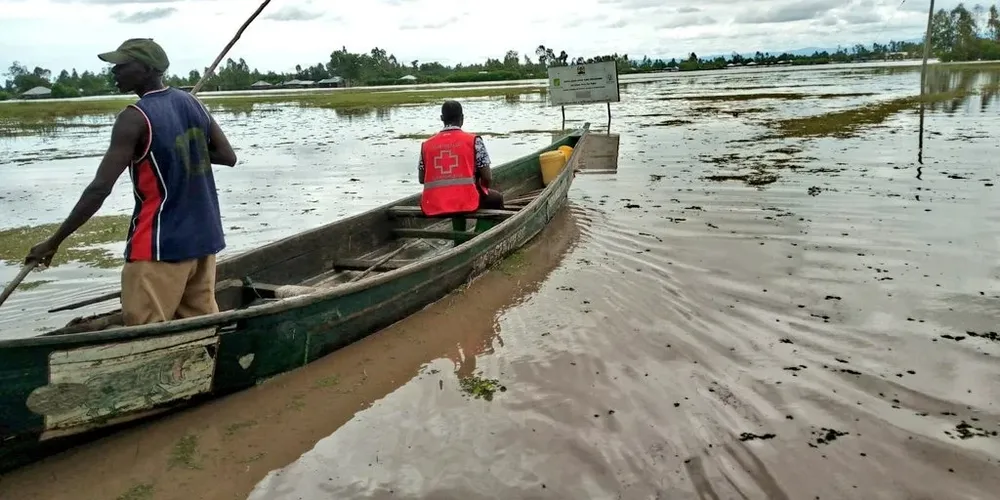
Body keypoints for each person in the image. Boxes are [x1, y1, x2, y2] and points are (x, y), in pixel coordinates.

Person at [24, 38, 237, 326]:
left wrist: (54, 241)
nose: (115, 72)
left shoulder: (134, 118)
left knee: (145, 331)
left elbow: (99, 188)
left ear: (147, 69)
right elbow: (226, 155)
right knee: (200, 328)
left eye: (122, 66)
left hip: (159, 245)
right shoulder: (192, 103)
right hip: (204, 239)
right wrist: (182, 147)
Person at [417, 100, 503, 217]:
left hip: (434, 203)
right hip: (466, 200)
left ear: (442, 118)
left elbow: (422, 179)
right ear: (462, 117)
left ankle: (459, 231)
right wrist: (482, 189)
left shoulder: (426, 145)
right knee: (496, 199)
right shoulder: (474, 141)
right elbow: (487, 177)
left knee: (456, 204)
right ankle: (479, 232)